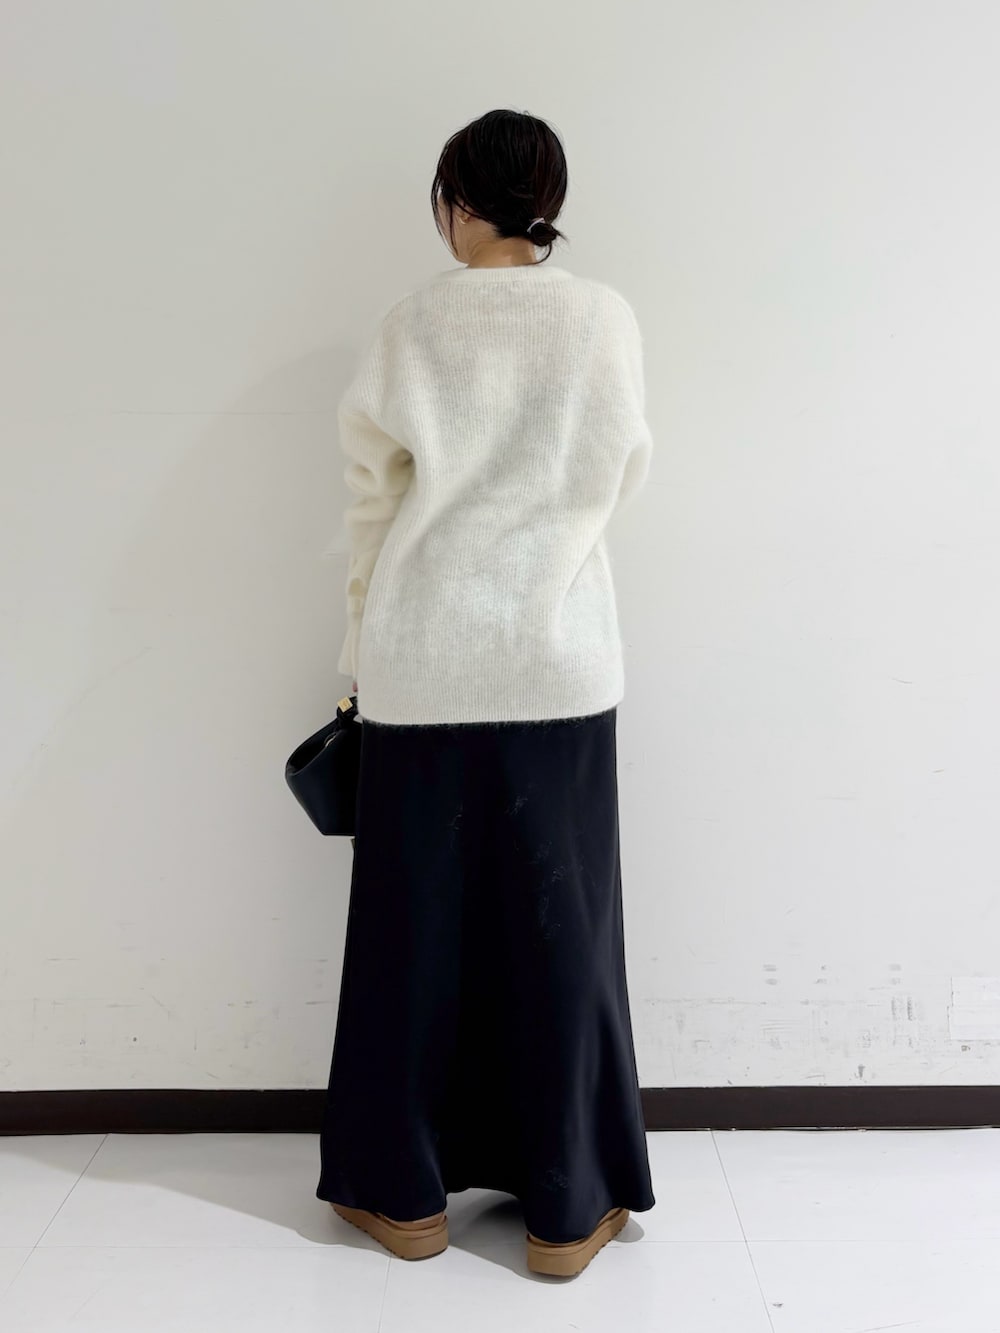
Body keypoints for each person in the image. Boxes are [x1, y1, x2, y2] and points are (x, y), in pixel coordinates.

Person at [316, 107, 655, 1280]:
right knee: (563, 933)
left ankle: (403, 1199)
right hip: (560, 660)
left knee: (410, 935)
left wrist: (359, 649)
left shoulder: (412, 323)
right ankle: (566, 1212)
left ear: (453, 201)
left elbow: (372, 504)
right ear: (546, 202)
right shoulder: (601, 317)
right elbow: (621, 469)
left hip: (423, 663)